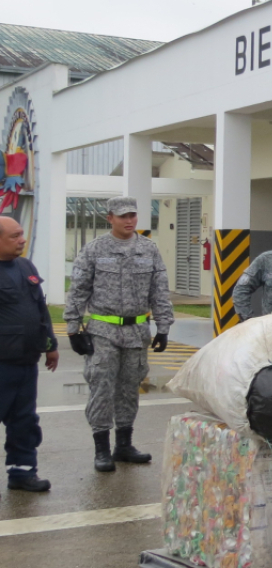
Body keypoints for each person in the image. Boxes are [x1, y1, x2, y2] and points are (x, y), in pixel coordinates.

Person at [64, 196, 174, 473]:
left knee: (129, 389)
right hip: (103, 331)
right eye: (123, 216)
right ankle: (101, 449)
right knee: (101, 388)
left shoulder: (148, 249)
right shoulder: (94, 250)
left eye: (133, 215)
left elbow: (159, 290)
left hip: (137, 332)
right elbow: (78, 290)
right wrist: (73, 328)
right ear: (109, 217)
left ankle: (123, 444)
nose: (129, 221)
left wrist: (163, 327)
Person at [0, 216, 59, 492]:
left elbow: (40, 311)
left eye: (22, 234)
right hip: (2, 363)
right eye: (15, 236)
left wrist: (51, 345)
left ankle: (22, 473)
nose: (22, 239)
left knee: (25, 420)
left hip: (26, 362)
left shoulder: (25, 266)